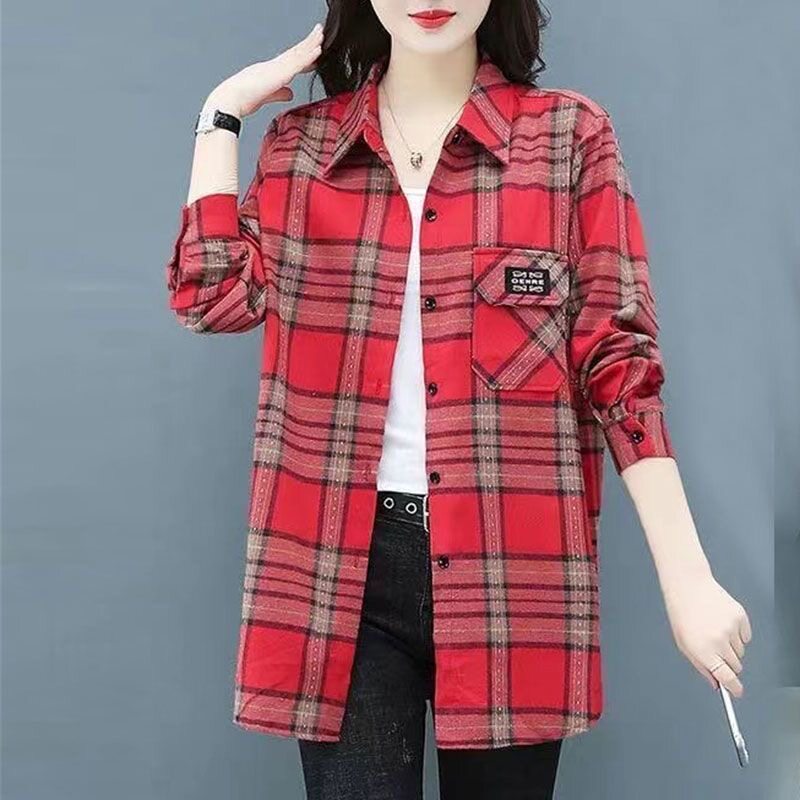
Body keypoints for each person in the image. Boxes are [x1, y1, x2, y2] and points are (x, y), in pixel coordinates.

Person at [165, 2, 753, 797]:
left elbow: (619, 367)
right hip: (339, 574)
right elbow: (209, 296)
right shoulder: (303, 150)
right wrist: (221, 115)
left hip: (514, 568)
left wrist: (687, 580)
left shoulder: (569, 139)